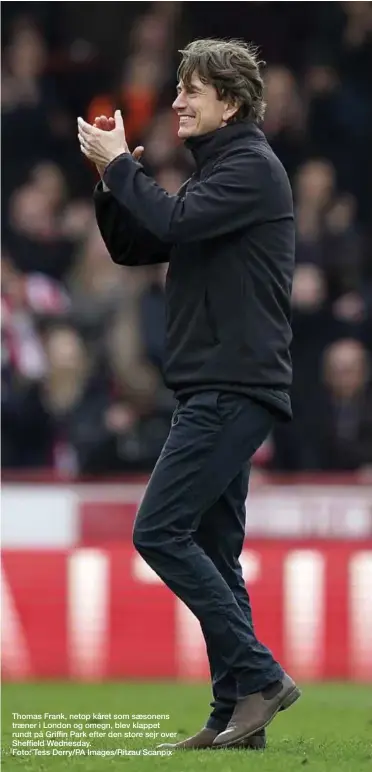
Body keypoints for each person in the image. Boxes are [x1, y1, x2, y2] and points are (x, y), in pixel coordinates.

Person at [78, 38, 300, 751]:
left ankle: (261, 677)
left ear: (230, 102)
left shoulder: (251, 169)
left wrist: (120, 166)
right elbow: (138, 246)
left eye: (191, 91)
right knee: (213, 544)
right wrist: (109, 182)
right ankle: (235, 717)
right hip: (219, 383)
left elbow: (170, 222)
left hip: (231, 386)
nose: (176, 102)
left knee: (158, 529)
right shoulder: (225, 174)